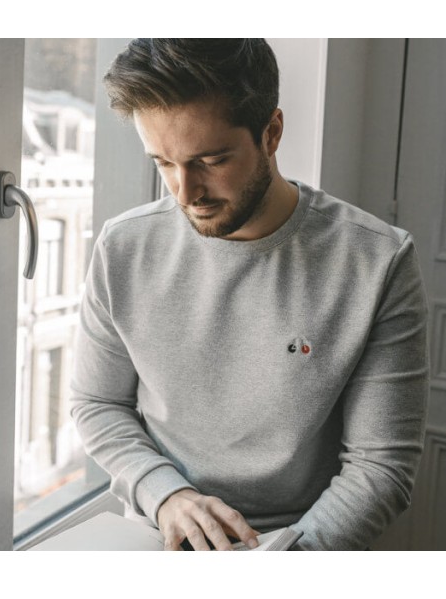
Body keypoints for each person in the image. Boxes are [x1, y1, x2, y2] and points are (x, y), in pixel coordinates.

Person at [69, 39, 429, 550]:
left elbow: (381, 464)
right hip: (160, 532)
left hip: (305, 542)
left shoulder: (377, 261)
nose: (185, 192)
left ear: (272, 132)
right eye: (163, 163)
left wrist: (280, 562)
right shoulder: (123, 246)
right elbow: (97, 401)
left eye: (210, 160)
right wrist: (165, 495)